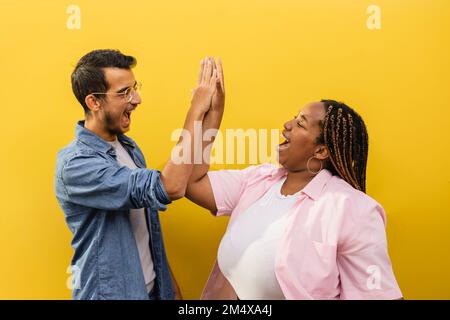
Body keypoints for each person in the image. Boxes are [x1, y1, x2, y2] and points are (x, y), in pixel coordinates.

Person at [185, 96, 403, 300]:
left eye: (301, 123)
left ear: (321, 151)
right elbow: (192, 183)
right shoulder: (259, 179)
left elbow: (378, 294)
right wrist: (211, 117)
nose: (287, 124)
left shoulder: (352, 210)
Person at [55, 50, 222, 300]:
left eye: (134, 88)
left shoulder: (128, 148)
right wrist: (195, 111)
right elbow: (170, 187)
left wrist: (214, 113)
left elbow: (186, 176)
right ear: (93, 102)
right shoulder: (76, 165)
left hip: (152, 291)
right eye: (124, 93)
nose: (137, 99)